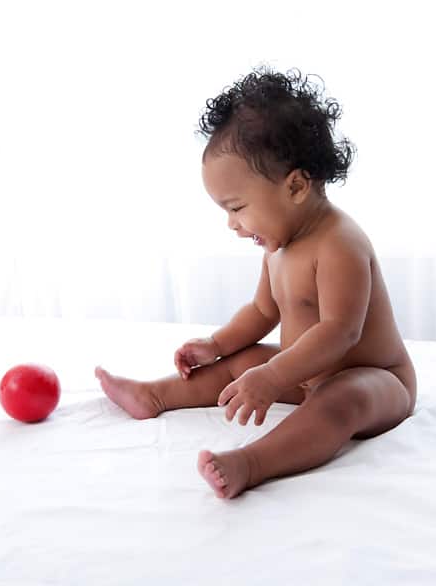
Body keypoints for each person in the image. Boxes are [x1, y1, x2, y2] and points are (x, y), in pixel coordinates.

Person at [95, 68, 416, 499]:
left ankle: (252, 463)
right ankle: (155, 395)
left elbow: (341, 332)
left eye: (237, 208)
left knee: (341, 398)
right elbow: (263, 311)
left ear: (296, 186)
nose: (232, 224)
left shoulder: (339, 243)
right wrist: (217, 345)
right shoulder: (278, 246)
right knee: (242, 362)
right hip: (306, 373)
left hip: (378, 380)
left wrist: (274, 375)